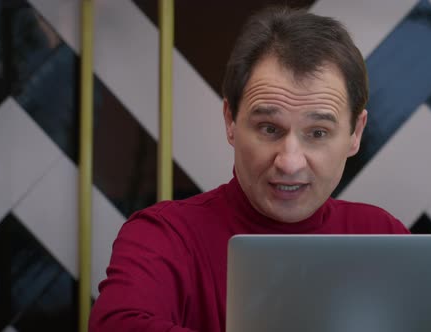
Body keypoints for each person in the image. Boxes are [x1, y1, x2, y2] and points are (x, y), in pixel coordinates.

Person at [89, 6, 409, 332]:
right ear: (231, 121)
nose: (289, 161)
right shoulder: (164, 235)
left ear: (355, 134)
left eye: (317, 133)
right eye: (269, 128)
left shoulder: (384, 235)